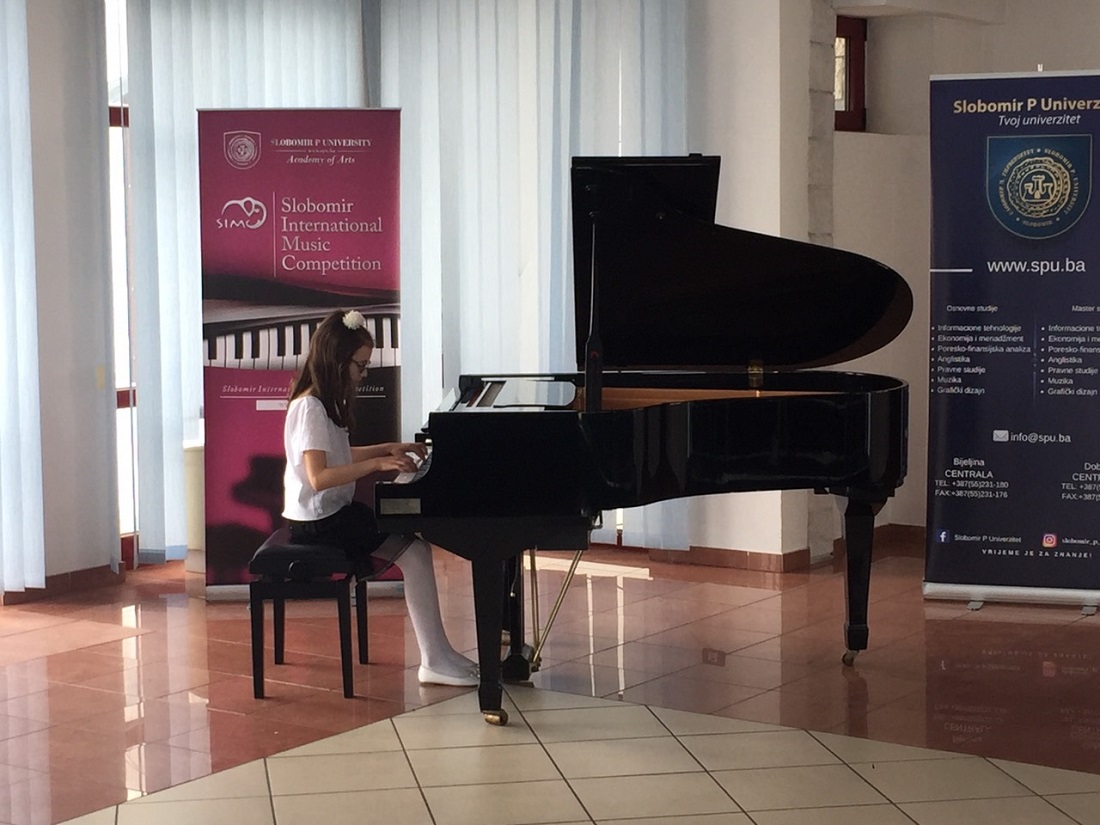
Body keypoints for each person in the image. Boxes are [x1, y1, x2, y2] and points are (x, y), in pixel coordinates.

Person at [282, 308, 478, 687]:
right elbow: (319, 477)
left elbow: (338, 456)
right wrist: (377, 465)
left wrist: (387, 448)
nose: (363, 373)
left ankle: (440, 653)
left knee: (415, 550)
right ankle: (434, 658)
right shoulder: (310, 407)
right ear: (337, 361)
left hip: (329, 515)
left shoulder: (322, 403)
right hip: (318, 523)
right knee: (415, 554)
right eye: (360, 365)